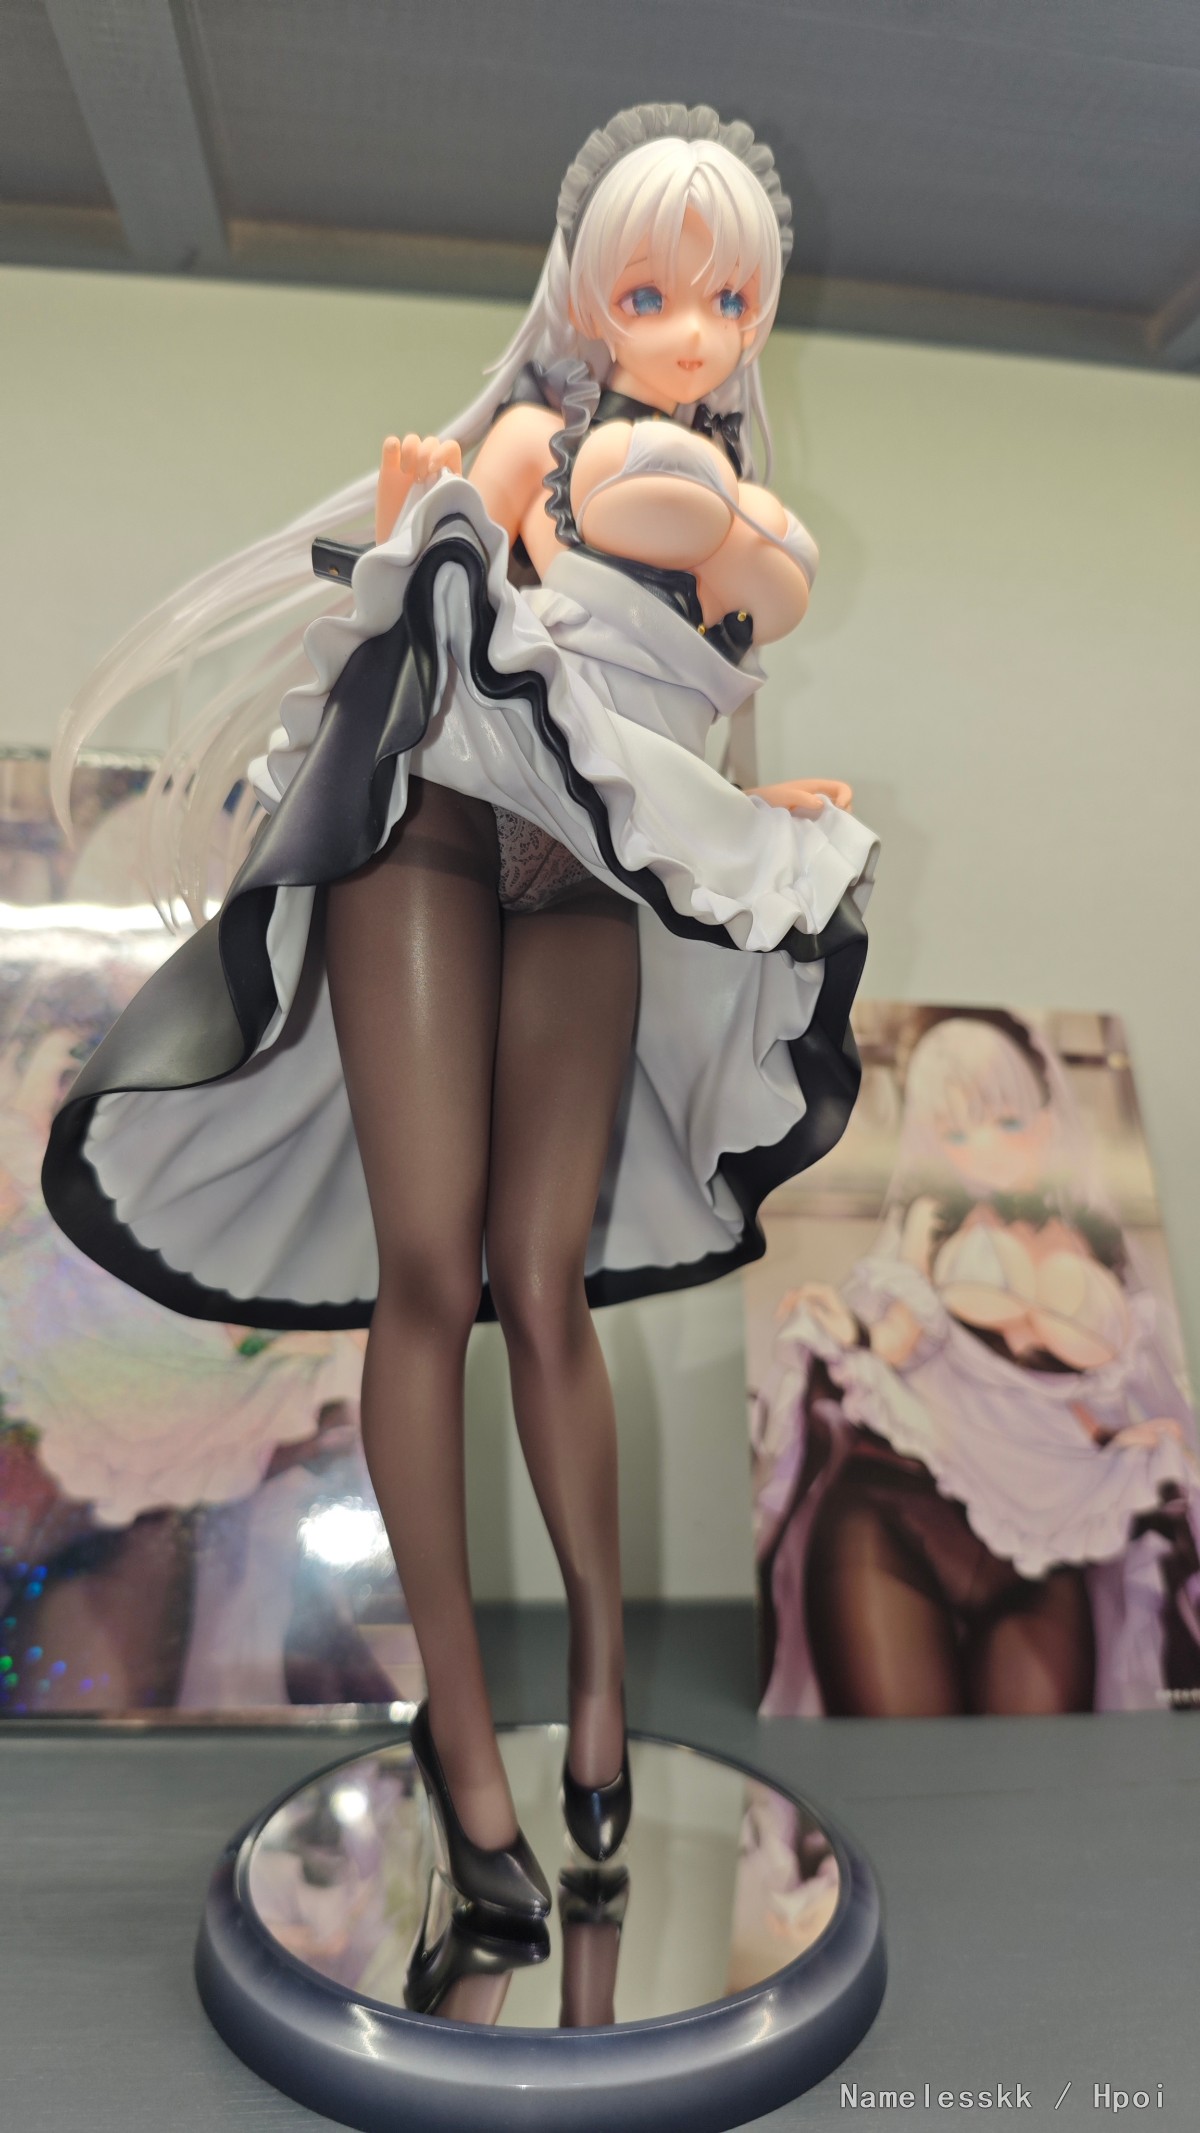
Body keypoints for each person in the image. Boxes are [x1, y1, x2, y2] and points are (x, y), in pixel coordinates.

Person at [42, 104, 879, 1919]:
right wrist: (409, 526)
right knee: (429, 1274)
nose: (691, 328)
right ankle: (467, 1734)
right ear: (585, 295)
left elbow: (695, 699)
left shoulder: (737, 497)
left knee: (542, 1280)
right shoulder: (532, 443)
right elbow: (418, 633)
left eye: (727, 298)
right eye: (650, 292)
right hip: (433, 826)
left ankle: (601, 1682)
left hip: (586, 871)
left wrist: (755, 805)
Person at [755, 1011, 1200, 1717]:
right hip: (898, 1509)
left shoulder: (1097, 1241)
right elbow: (897, 1339)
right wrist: (847, 1329)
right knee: (895, 1767)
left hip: (1042, 1537)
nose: (982, 1149)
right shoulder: (933, 1221)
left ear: (1047, 1120)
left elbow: (1070, 1398)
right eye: (956, 1132)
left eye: (1005, 1121)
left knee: (1038, 1774)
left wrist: (1117, 1439)